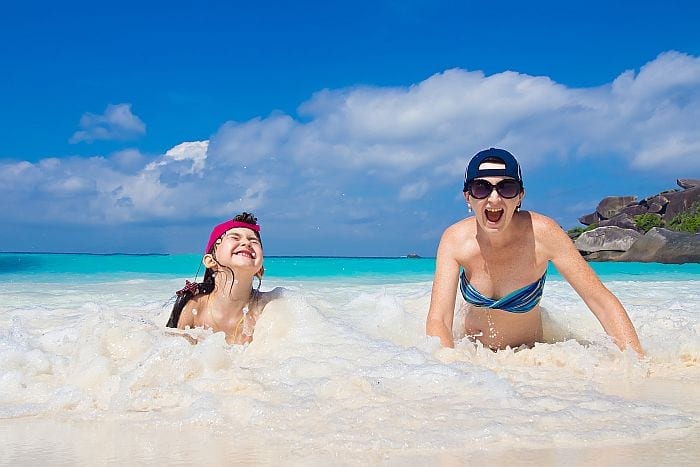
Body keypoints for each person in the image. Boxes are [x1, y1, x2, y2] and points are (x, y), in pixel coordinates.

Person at [426, 148, 644, 355]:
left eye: (506, 188)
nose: (494, 199)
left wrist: (638, 364)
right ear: (468, 197)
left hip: (530, 358)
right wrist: (450, 371)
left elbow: (602, 302)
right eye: (481, 188)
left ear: (520, 196)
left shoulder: (544, 234)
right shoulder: (454, 240)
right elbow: (440, 320)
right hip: (474, 355)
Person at [166, 212, 282, 344]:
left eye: (253, 241)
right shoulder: (194, 307)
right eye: (235, 238)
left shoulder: (269, 308)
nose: (246, 243)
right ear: (210, 261)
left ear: (259, 269)